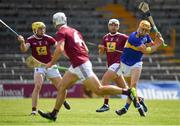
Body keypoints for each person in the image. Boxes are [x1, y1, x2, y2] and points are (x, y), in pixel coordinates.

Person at [38, 12, 137, 121]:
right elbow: (86, 50)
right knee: (62, 87)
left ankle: (128, 92)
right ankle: (54, 114)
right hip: (77, 64)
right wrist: (72, 56)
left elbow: (60, 49)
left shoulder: (61, 32)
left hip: (80, 64)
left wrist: (51, 63)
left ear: (54, 22)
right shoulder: (75, 31)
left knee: (99, 90)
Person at [17, 22, 70, 115]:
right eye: (40, 29)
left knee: (61, 87)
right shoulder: (30, 39)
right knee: (37, 86)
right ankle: (34, 110)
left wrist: (69, 54)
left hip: (51, 65)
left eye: (43, 29)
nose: (42, 30)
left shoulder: (49, 38)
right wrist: (22, 42)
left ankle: (63, 100)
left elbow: (59, 47)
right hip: (39, 66)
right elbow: (24, 49)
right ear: (34, 30)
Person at [115, 20, 164, 116]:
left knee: (133, 85)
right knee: (131, 90)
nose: (143, 31)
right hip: (125, 63)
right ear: (139, 27)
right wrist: (158, 44)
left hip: (137, 63)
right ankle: (139, 100)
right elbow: (146, 50)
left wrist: (157, 39)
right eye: (142, 29)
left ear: (148, 31)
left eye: (145, 30)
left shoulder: (146, 37)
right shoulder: (133, 37)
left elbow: (151, 45)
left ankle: (130, 107)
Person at [96, 19, 128, 112]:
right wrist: (101, 49)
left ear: (118, 26)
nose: (113, 26)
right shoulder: (105, 37)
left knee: (105, 80)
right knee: (126, 90)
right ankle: (139, 99)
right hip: (111, 65)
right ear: (108, 26)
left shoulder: (123, 37)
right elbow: (101, 54)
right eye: (111, 25)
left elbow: (133, 43)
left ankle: (106, 104)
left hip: (119, 63)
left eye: (116, 25)